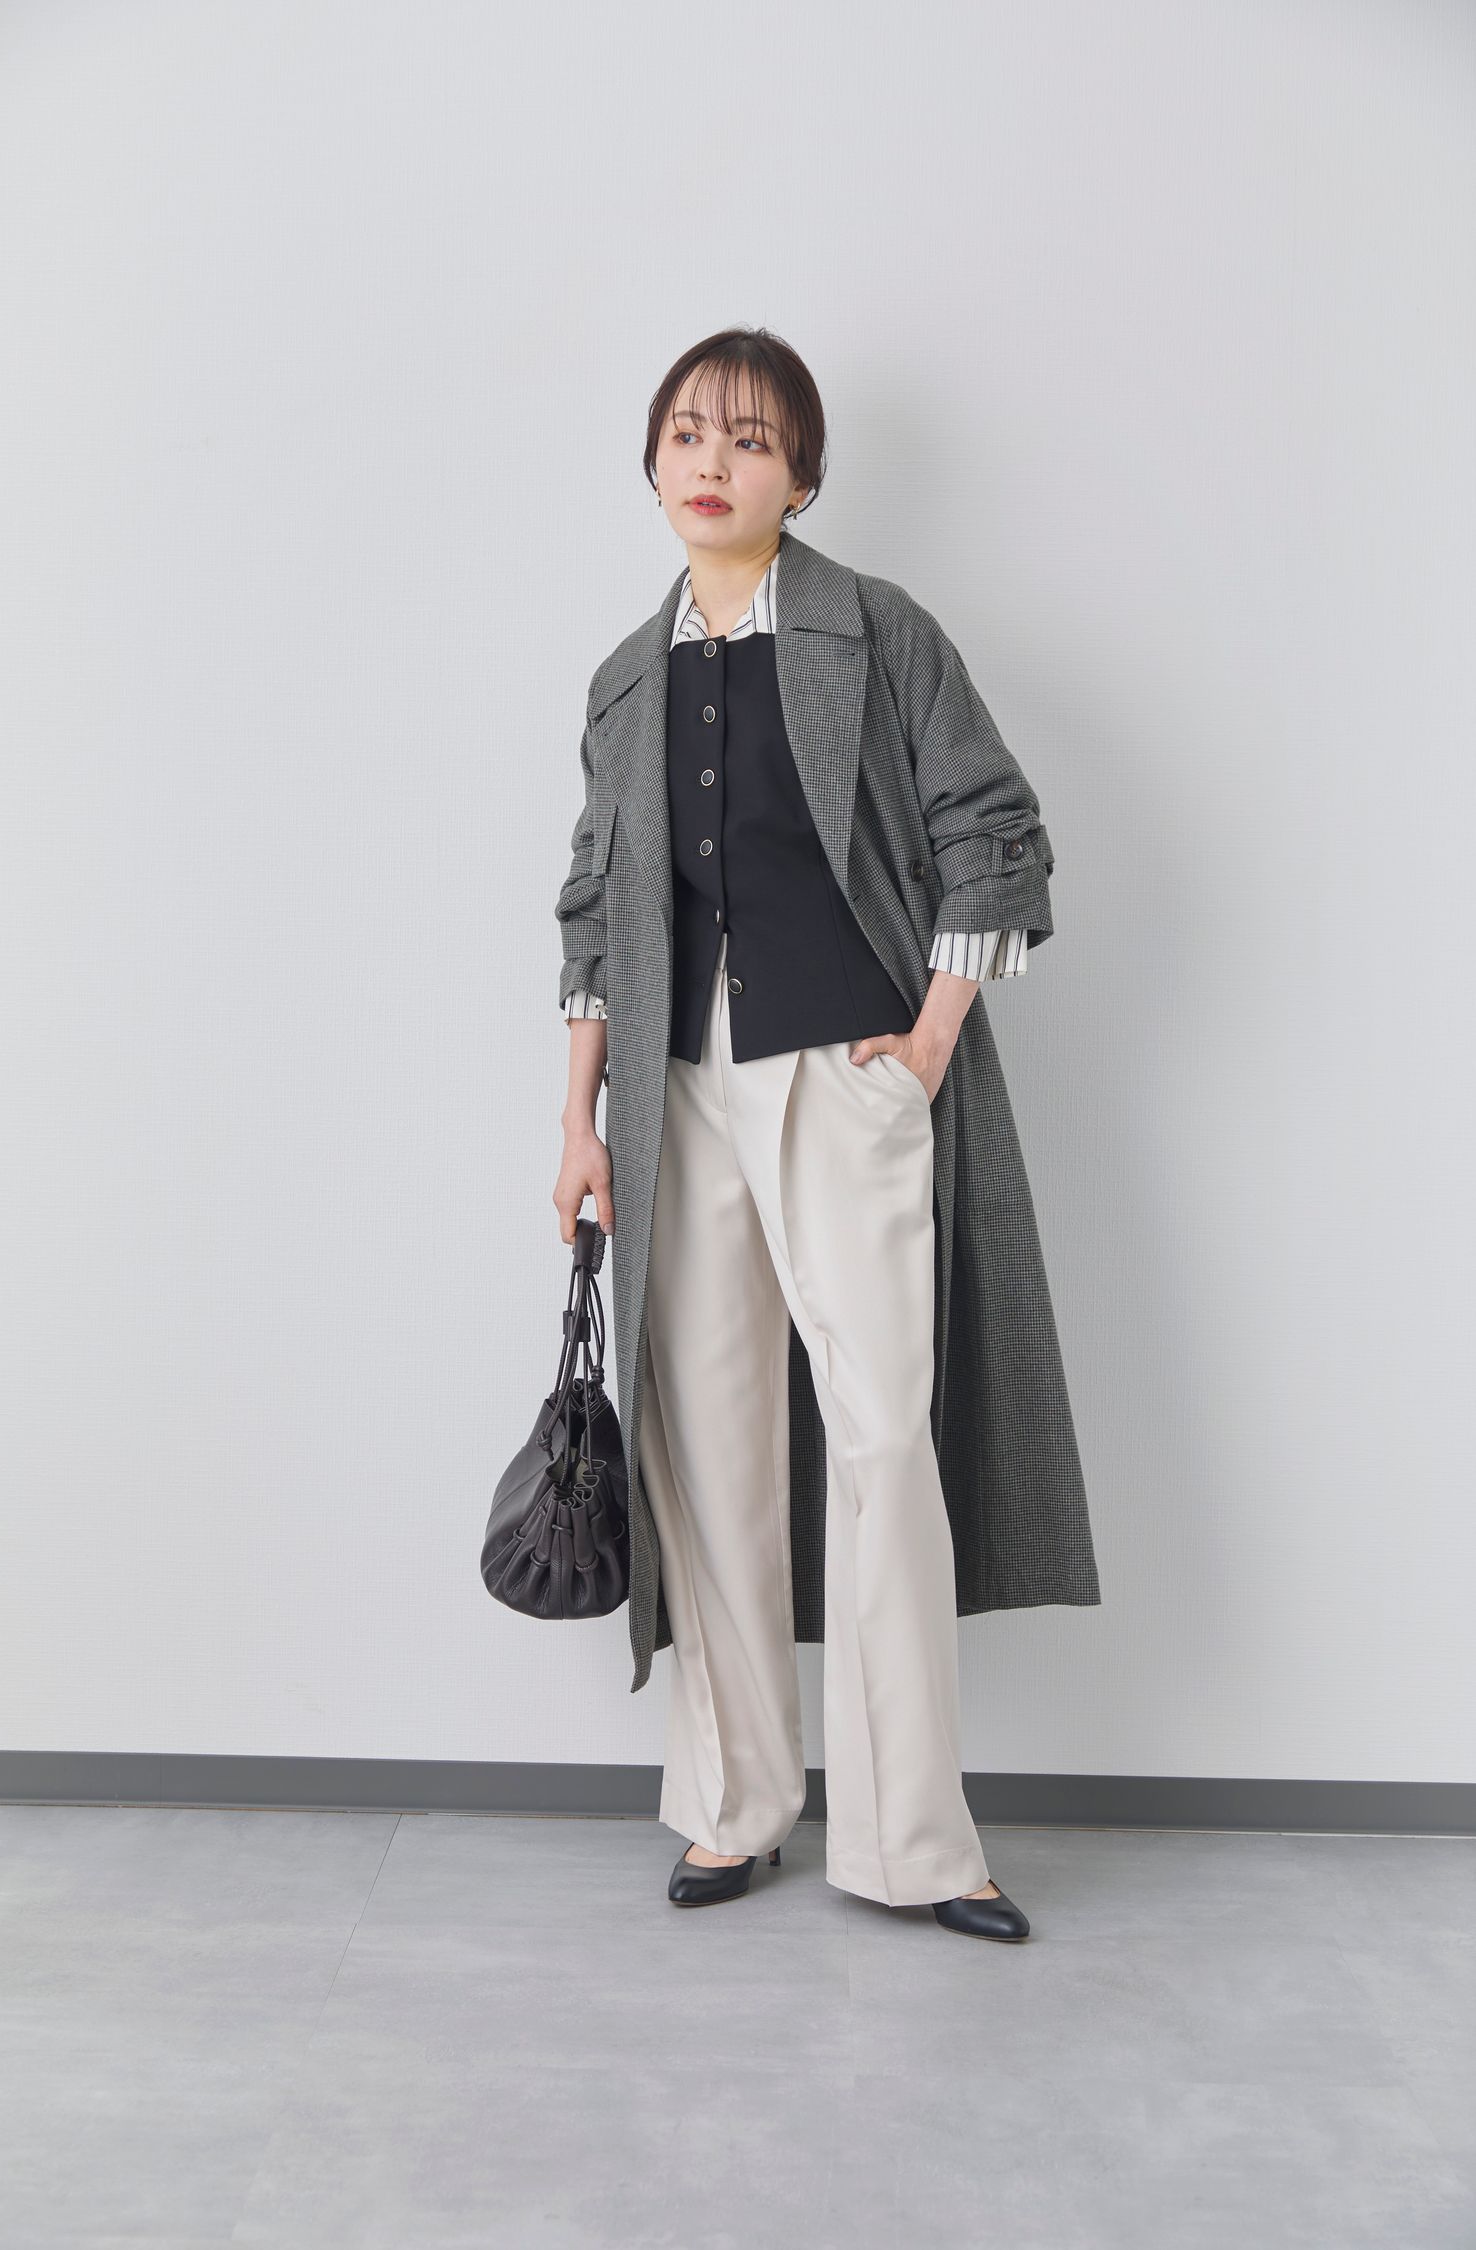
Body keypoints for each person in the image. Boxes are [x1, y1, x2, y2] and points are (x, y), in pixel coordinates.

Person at [551, 327, 1098, 1941]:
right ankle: (733, 1809)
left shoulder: (878, 629)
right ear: (653, 462)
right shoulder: (626, 678)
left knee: (880, 1442)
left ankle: (915, 1842)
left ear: (802, 475)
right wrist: (579, 1120)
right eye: (687, 432)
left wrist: (926, 1041)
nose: (712, 460)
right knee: (709, 1450)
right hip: (676, 1095)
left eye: (751, 437)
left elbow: (993, 827)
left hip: (843, 1080)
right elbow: (592, 907)